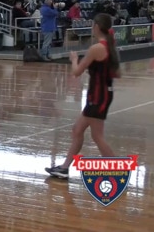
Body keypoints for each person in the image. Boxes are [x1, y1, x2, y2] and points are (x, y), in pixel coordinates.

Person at [45, 13, 119, 179]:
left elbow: (76, 72)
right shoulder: (109, 46)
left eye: (93, 25)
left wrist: (73, 59)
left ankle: (118, 170)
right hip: (101, 94)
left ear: (97, 27)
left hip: (98, 97)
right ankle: (64, 168)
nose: (92, 28)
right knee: (77, 130)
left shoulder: (96, 48)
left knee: (97, 136)